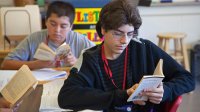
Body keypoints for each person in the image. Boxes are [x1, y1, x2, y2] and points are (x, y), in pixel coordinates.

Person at [58, 0, 195, 112]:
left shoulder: (144, 48)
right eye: (118, 33)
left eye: (130, 34)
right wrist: (122, 96)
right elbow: (66, 97)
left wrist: (166, 91)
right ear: (103, 30)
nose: (125, 41)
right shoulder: (90, 58)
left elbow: (188, 79)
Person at [1, 1, 95, 70]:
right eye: (53, 24)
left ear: (71, 26)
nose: (57, 30)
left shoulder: (79, 40)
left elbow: (100, 63)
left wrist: (76, 62)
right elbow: (5, 64)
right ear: (46, 21)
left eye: (63, 26)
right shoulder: (34, 38)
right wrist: (37, 64)